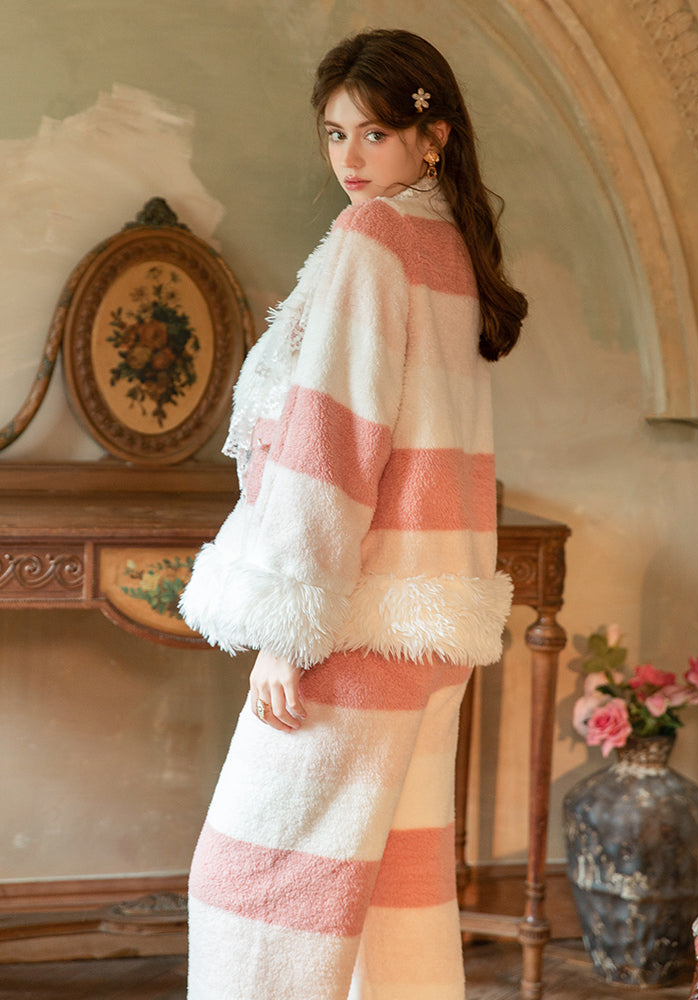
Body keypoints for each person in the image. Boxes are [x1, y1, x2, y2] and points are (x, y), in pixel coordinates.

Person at [179, 27, 527, 1000]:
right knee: (391, 890)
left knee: (257, 885)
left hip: (355, 623)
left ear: (433, 139)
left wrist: (288, 630)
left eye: (373, 134)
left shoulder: (373, 244)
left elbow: (333, 447)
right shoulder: (450, 249)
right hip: (430, 631)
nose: (349, 160)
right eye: (335, 136)